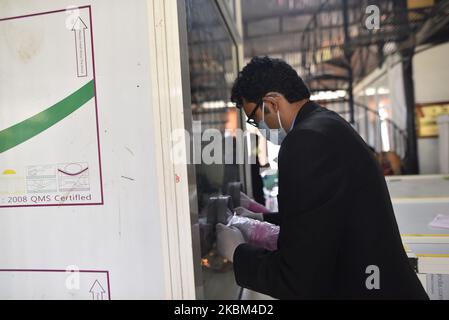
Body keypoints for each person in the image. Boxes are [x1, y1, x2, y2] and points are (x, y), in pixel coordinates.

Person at [216, 56, 428, 300]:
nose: (257, 127)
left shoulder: (303, 142)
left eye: (254, 118)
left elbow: (299, 280)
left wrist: (237, 253)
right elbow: (322, 213)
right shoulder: (326, 123)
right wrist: (260, 218)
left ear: (271, 103)